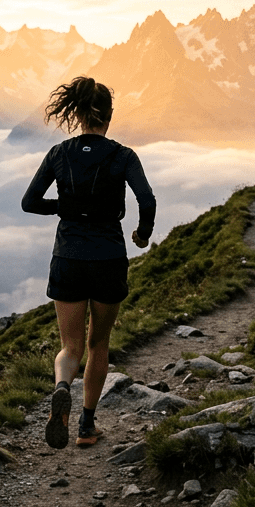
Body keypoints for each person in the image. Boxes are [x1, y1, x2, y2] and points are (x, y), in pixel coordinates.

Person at [21, 77, 156, 449]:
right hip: (108, 258)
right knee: (99, 343)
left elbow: (29, 202)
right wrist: (143, 234)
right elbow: (147, 199)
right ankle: (86, 425)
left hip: (68, 258)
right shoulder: (123, 155)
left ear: (78, 114)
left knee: (70, 346)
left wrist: (62, 207)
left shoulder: (58, 154)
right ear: (109, 116)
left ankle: (62, 386)